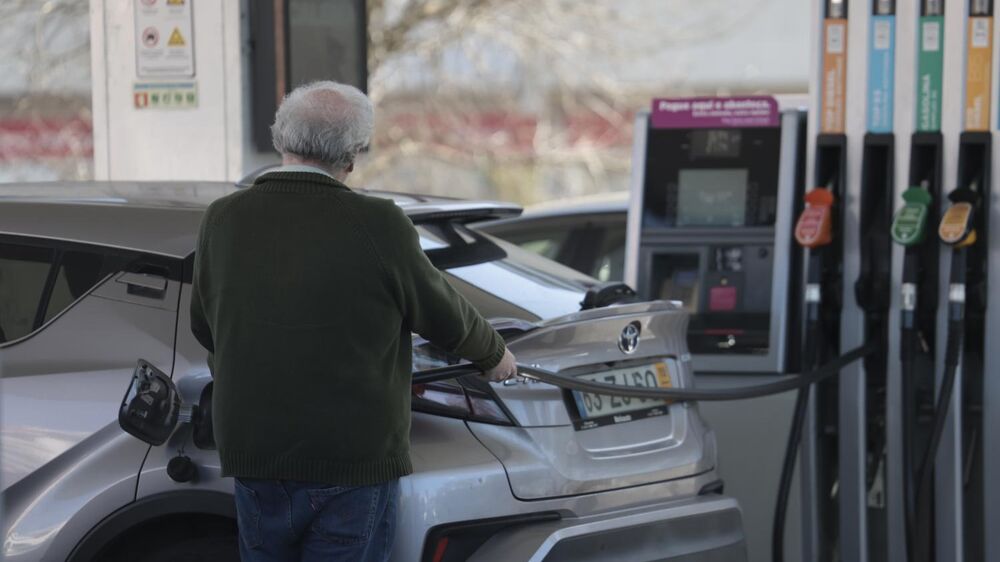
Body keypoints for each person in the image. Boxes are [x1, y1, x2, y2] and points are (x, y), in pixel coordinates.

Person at [189, 81, 517, 562]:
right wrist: (494, 355)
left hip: (255, 455)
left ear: (281, 137)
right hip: (351, 461)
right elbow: (442, 312)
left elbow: (204, 325)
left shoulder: (222, 218)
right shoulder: (377, 222)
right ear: (352, 155)